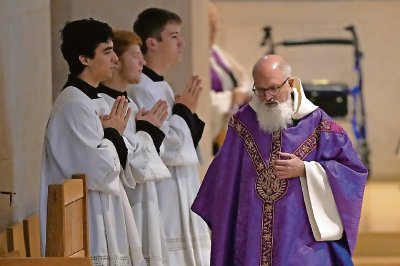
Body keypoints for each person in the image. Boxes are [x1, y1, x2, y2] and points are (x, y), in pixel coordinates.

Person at [192, 54, 368, 265]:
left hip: (301, 240)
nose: (268, 96)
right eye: (261, 89)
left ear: (291, 83)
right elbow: (222, 181)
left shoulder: (320, 125)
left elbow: (353, 171)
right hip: (252, 237)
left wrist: (306, 169)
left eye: (274, 88)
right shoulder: (243, 124)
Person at [39, 19, 146, 265]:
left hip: (105, 210)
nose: (115, 60)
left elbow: (122, 161)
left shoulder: (94, 101)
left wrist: (117, 134)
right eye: (107, 52)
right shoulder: (73, 106)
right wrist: (113, 134)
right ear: (84, 59)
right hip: (87, 221)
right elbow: (98, 171)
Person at [128, 8, 211, 266]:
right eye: (173, 36)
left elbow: (179, 140)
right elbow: (162, 146)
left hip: (180, 184)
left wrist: (186, 111)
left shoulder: (160, 85)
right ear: (152, 43)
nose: (181, 43)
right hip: (163, 190)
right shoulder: (139, 87)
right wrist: (184, 110)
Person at [98, 30, 171, 265]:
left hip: (142, 200)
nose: (143, 62)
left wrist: (147, 130)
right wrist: (148, 132)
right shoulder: (103, 105)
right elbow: (130, 164)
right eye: (135, 56)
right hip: (126, 204)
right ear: (116, 60)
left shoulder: (129, 102)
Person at [208, 3, 251, 154]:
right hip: (215, 138)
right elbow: (203, 102)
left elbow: (242, 76)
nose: (215, 29)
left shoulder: (215, 51)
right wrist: (230, 98)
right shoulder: (195, 55)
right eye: (210, 25)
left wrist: (243, 92)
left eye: (215, 24)